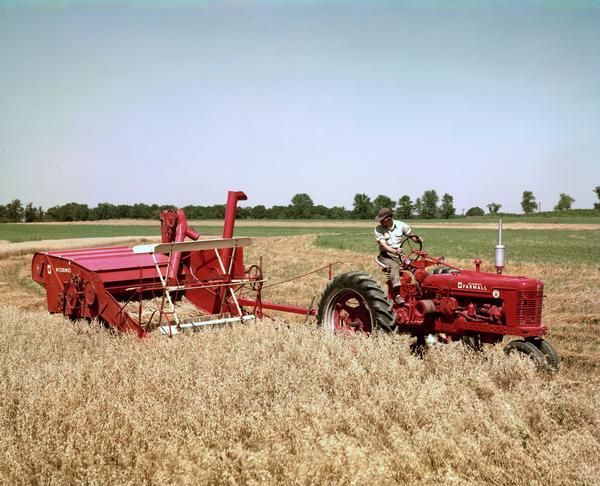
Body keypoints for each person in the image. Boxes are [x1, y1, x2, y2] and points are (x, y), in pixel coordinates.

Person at [374, 207, 419, 305]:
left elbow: (411, 235)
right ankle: (397, 294)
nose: (380, 222)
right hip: (386, 255)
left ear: (388, 219)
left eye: (382, 220)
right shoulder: (378, 229)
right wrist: (394, 251)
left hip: (400, 255)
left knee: (416, 266)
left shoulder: (401, 225)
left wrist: (417, 239)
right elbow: (383, 245)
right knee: (394, 267)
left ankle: (420, 290)